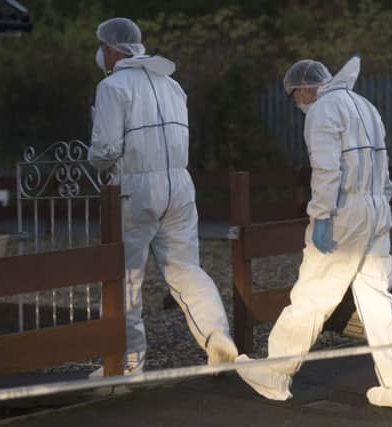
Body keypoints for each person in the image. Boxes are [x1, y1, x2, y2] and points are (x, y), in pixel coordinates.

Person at [235, 56, 392, 410]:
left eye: (295, 94)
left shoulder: (322, 111)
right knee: (378, 302)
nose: (297, 102)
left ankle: (275, 374)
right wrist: (381, 207)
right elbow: (383, 167)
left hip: (344, 214)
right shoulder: (364, 105)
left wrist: (322, 217)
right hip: (375, 210)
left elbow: (326, 170)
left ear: (307, 87)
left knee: (312, 295)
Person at [88, 17, 238, 375]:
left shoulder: (112, 87)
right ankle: (218, 338)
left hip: (135, 188)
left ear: (111, 49)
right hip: (181, 185)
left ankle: (127, 364)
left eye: (101, 48)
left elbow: (105, 149)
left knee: (125, 276)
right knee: (186, 269)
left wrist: (94, 158)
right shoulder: (173, 85)